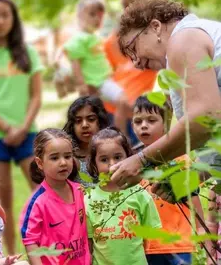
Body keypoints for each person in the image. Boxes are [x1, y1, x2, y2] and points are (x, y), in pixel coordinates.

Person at [110, 0, 221, 190]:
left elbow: (205, 119)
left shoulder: (183, 40)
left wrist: (142, 160)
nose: (135, 62)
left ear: (155, 27)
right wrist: (186, 181)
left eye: (133, 48)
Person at [0, 0, 43, 255]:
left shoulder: (28, 54)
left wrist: (23, 127)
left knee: (42, 191)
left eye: (5, 15)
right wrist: (6, 128)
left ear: (14, 18)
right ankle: (9, 253)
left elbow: (37, 95)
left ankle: (46, 248)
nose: (0, 20)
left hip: (28, 134)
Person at [132, 96, 205, 265]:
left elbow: (193, 197)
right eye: (138, 121)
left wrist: (201, 230)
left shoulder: (179, 160)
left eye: (151, 120)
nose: (144, 125)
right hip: (146, 245)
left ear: (166, 123)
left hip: (178, 243)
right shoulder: (133, 163)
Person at [85, 127, 161, 265]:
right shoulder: (88, 200)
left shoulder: (140, 194)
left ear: (129, 158)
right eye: (104, 159)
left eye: (118, 157)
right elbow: (89, 243)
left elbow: (148, 238)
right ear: (94, 164)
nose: (112, 164)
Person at [20, 128, 91, 265]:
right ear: (40, 163)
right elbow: (30, 240)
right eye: (54, 158)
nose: (63, 162)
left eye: (67, 156)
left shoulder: (80, 191)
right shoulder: (38, 202)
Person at [62, 0, 130, 132]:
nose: (97, 19)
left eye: (100, 16)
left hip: (103, 81)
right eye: (92, 14)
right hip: (98, 82)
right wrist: (81, 85)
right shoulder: (79, 39)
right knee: (123, 101)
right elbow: (75, 63)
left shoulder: (94, 37)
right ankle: (122, 136)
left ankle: (109, 136)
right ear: (79, 16)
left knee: (97, 113)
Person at [104, 0, 157, 145]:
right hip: (116, 111)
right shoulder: (114, 39)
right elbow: (105, 74)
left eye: (133, 1)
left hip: (144, 112)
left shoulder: (156, 32)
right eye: (124, 3)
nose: (129, 7)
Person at [63, 96, 110, 186]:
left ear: (100, 121)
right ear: (72, 125)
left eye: (91, 119)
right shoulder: (68, 157)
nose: (84, 125)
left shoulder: (113, 150)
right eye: (78, 121)